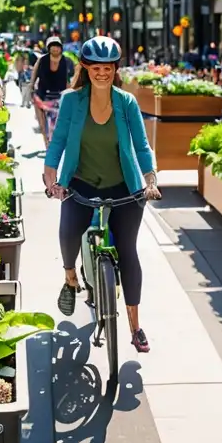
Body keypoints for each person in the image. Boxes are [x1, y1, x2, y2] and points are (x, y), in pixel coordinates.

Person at [43, 36, 160, 354]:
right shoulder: (71, 101)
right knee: (68, 234)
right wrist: (51, 174)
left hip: (125, 188)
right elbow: (59, 141)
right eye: (96, 67)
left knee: (128, 251)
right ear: (85, 68)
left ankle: (135, 326)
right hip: (80, 184)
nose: (102, 73)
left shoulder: (127, 103)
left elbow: (141, 145)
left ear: (115, 69)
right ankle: (70, 277)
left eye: (108, 67)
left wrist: (150, 180)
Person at [32, 36, 75, 146]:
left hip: (59, 96)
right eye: (52, 46)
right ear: (48, 48)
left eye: (57, 46)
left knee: (55, 123)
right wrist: (31, 86)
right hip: (42, 95)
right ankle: (46, 141)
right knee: (42, 124)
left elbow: (72, 78)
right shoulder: (41, 60)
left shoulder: (67, 61)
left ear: (61, 48)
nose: (55, 49)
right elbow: (34, 75)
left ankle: (53, 143)